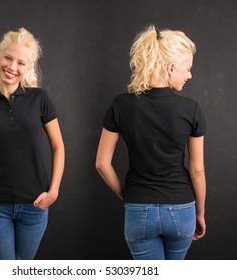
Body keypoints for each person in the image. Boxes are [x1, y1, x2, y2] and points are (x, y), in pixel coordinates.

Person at [95, 25, 206, 260]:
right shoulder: (191, 109)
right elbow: (197, 170)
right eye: (187, 69)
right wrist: (201, 213)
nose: (189, 75)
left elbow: (102, 164)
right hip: (181, 208)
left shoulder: (121, 105)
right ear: (171, 68)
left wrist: (127, 195)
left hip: (138, 209)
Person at [0, 27, 65, 260]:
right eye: (8, 58)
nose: (12, 67)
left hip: (35, 205)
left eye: (21, 62)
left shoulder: (40, 99)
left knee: (23, 268)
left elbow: (58, 146)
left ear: (28, 67)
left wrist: (54, 191)